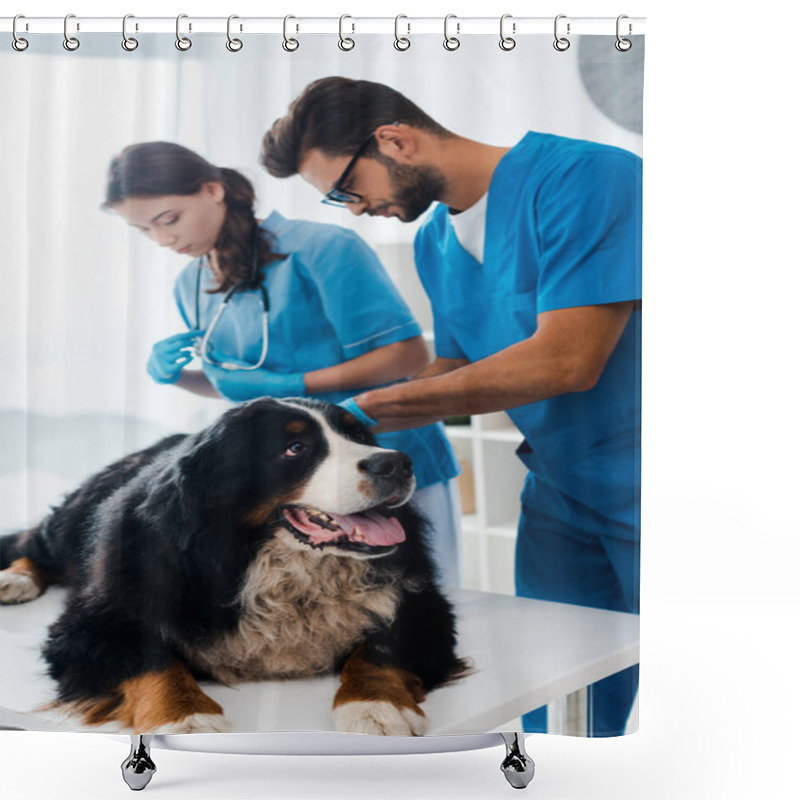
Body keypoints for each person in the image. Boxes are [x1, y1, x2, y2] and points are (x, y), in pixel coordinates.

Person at [261, 77, 642, 737]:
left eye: (347, 190)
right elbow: (459, 365)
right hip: (559, 490)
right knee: (558, 685)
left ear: (395, 140)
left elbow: (569, 361)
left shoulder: (589, 178)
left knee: (706, 686)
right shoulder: (438, 243)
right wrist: (341, 426)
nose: (354, 211)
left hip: (651, 482)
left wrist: (380, 401)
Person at [103, 141, 463, 587]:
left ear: (213, 189)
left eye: (168, 219)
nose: (163, 240)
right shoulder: (191, 282)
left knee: (416, 608)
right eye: (144, 231)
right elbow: (241, 386)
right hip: (301, 478)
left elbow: (404, 356)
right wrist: (181, 378)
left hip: (378, 449)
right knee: (332, 616)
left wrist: (296, 382)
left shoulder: (323, 248)